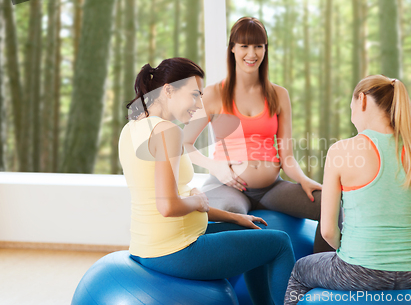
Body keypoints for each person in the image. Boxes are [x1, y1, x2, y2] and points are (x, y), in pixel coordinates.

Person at [118, 57, 295, 305]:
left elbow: (171, 197)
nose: (199, 104)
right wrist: (199, 202)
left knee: (253, 229)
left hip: (147, 245)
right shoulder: (168, 132)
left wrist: (235, 217)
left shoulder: (131, 129)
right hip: (175, 250)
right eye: (194, 95)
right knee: (280, 243)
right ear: (168, 89)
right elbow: (168, 206)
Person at [284, 75, 411, 304]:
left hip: (360, 271)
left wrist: (350, 254)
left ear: (362, 100)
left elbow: (328, 231)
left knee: (299, 271)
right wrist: (402, 204)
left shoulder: (341, 151)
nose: (352, 115)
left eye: (351, 107)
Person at [183, 17, 333, 252]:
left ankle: (319, 272)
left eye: (258, 46)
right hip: (228, 185)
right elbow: (186, 144)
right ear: (232, 48)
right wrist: (216, 167)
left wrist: (303, 179)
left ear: (265, 49)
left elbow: (287, 157)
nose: (251, 53)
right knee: (230, 218)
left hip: (271, 187)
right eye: (244, 46)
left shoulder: (279, 95)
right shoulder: (213, 94)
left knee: (329, 204)